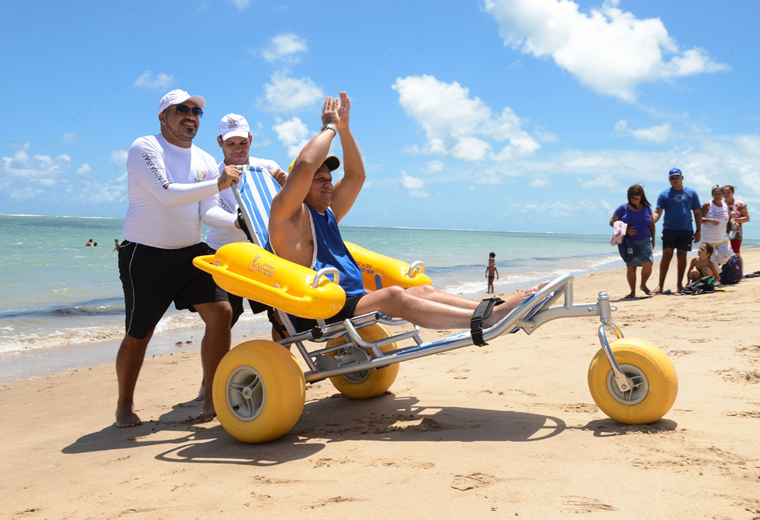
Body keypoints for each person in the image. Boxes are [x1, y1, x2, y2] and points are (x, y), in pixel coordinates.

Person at [268, 92, 547, 334]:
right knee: (394, 296)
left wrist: (343, 129)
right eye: (320, 180)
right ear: (301, 186)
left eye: (329, 178)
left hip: (351, 300)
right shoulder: (289, 216)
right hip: (321, 309)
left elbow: (356, 176)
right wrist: (327, 128)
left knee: (422, 290)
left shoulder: (327, 213)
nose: (329, 184)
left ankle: (493, 309)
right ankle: (488, 320)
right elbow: (305, 164)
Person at [116, 89, 240, 428]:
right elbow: (167, 194)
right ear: (163, 117)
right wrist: (218, 182)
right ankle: (124, 405)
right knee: (139, 333)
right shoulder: (145, 147)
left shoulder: (202, 158)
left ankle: (213, 399)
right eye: (181, 110)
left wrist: (237, 222)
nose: (190, 115)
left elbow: (209, 210)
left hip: (190, 253)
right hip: (145, 253)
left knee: (222, 312)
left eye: (196, 111)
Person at [205, 113, 287, 327]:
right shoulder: (213, 173)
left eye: (243, 142)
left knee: (281, 313)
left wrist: (289, 184)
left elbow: (291, 204)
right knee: (227, 316)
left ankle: (281, 357)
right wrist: (238, 221)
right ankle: (220, 361)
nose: (238, 149)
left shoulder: (267, 168)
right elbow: (208, 214)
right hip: (222, 252)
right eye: (230, 143)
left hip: (259, 251)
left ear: (251, 139)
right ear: (220, 142)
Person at [651, 168, 702, 294]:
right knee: (666, 256)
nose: (675, 180)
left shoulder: (692, 193)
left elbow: (697, 212)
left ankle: (679, 284)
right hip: (669, 229)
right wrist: (650, 220)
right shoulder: (664, 194)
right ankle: (660, 285)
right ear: (669, 180)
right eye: (672, 178)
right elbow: (658, 212)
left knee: (682, 256)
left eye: (677, 177)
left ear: (682, 178)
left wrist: (698, 230)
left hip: (686, 230)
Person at [609, 184, 655, 298]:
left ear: (642, 195)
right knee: (631, 267)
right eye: (632, 194)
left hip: (645, 241)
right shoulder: (622, 208)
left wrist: (653, 239)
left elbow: (652, 224)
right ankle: (632, 292)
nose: (635, 196)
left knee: (648, 264)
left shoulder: (647, 208)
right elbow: (612, 222)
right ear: (628, 196)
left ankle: (643, 285)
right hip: (629, 242)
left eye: (637, 194)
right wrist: (625, 229)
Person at [700, 185, 734, 266]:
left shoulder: (725, 205)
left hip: (722, 238)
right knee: (710, 262)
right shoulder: (708, 205)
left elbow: (730, 219)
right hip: (708, 239)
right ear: (712, 195)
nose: (717, 196)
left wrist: (734, 223)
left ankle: (716, 266)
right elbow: (699, 219)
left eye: (719, 194)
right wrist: (710, 220)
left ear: (723, 195)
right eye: (715, 194)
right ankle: (715, 276)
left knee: (727, 255)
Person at [723, 184, 750, 272]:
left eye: (728, 192)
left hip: (735, 232)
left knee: (736, 252)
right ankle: (726, 272)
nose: (726, 194)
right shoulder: (720, 204)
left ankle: (739, 273)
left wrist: (735, 220)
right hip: (722, 232)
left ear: (733, 193)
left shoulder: (740, 204)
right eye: (724, 192)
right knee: (723, 253)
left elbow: (747, 218)